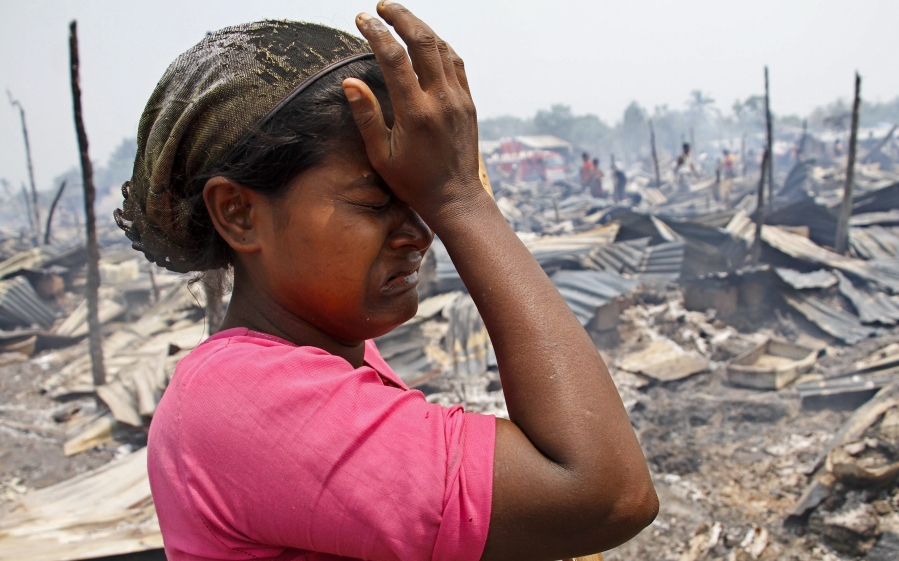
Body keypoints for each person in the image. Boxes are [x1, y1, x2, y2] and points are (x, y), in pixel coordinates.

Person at [117, 3, 657, 561]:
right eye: (377, 201)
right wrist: (460, 200)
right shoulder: (241, 398)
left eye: (421, 200)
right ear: (238, 213)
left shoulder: (336, 358)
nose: (421, 233)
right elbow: (606, 494)